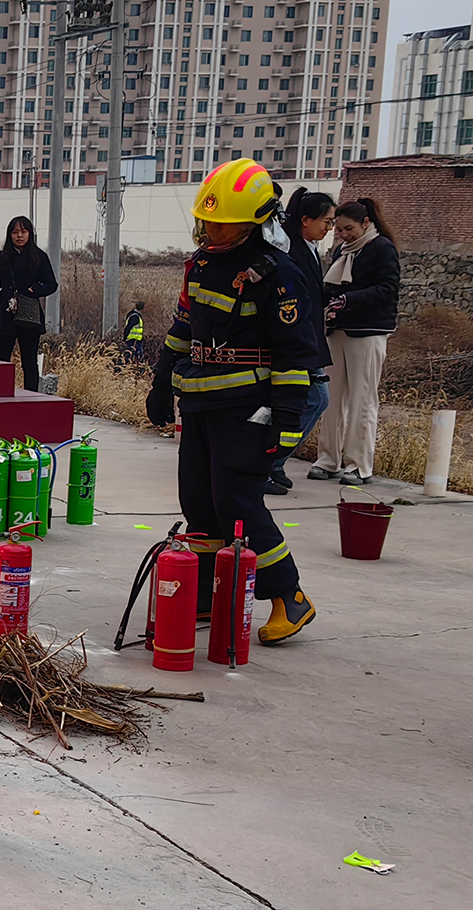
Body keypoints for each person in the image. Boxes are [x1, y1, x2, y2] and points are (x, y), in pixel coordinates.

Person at [145, 159, 319, 646]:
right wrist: (162, 381)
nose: (211, 230)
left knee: (236, 500)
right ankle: (206, 592)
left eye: (222, 223)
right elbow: (184, 328)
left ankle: (291, 596)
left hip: (248, 409)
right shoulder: (201, 264)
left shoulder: (276, 276)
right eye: (208, 220)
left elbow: (294, 354)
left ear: (254, 221)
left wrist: (285, 420)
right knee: (198, 500)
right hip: (200, 404)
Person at [310, 197, 400, 486]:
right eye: (338, 229)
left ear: (365, 223)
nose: (343, 235)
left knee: (363, 399)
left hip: (369, 332)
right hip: (338, 330)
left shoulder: (382, 249)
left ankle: (359, 465)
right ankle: (328, 459)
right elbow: (329, 287)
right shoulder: (341, 252)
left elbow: (387, 289)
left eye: (348, 229)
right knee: (332, 399)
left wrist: (348, 300)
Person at [268, 188, 336, 495]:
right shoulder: (292, 250)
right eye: (326, 220)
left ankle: (273, 462)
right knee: (315, 399)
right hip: (299, 343)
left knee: (313, 400)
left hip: (308, 341)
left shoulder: (306, 247)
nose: (329, 228)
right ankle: (269, 462)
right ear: (306, 220)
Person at [0, 216, 58, 392]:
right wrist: (1, 293)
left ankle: (31, 399)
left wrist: (35, 290)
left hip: (29, 314)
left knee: (29, 362)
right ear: (9, 235)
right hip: (5, 315)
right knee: (1, 361)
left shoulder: (39, 257)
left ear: (30, 234)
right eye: (15, 232)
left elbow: (51, 284)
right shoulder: (1, 258)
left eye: (23, 232)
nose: (19, 236)